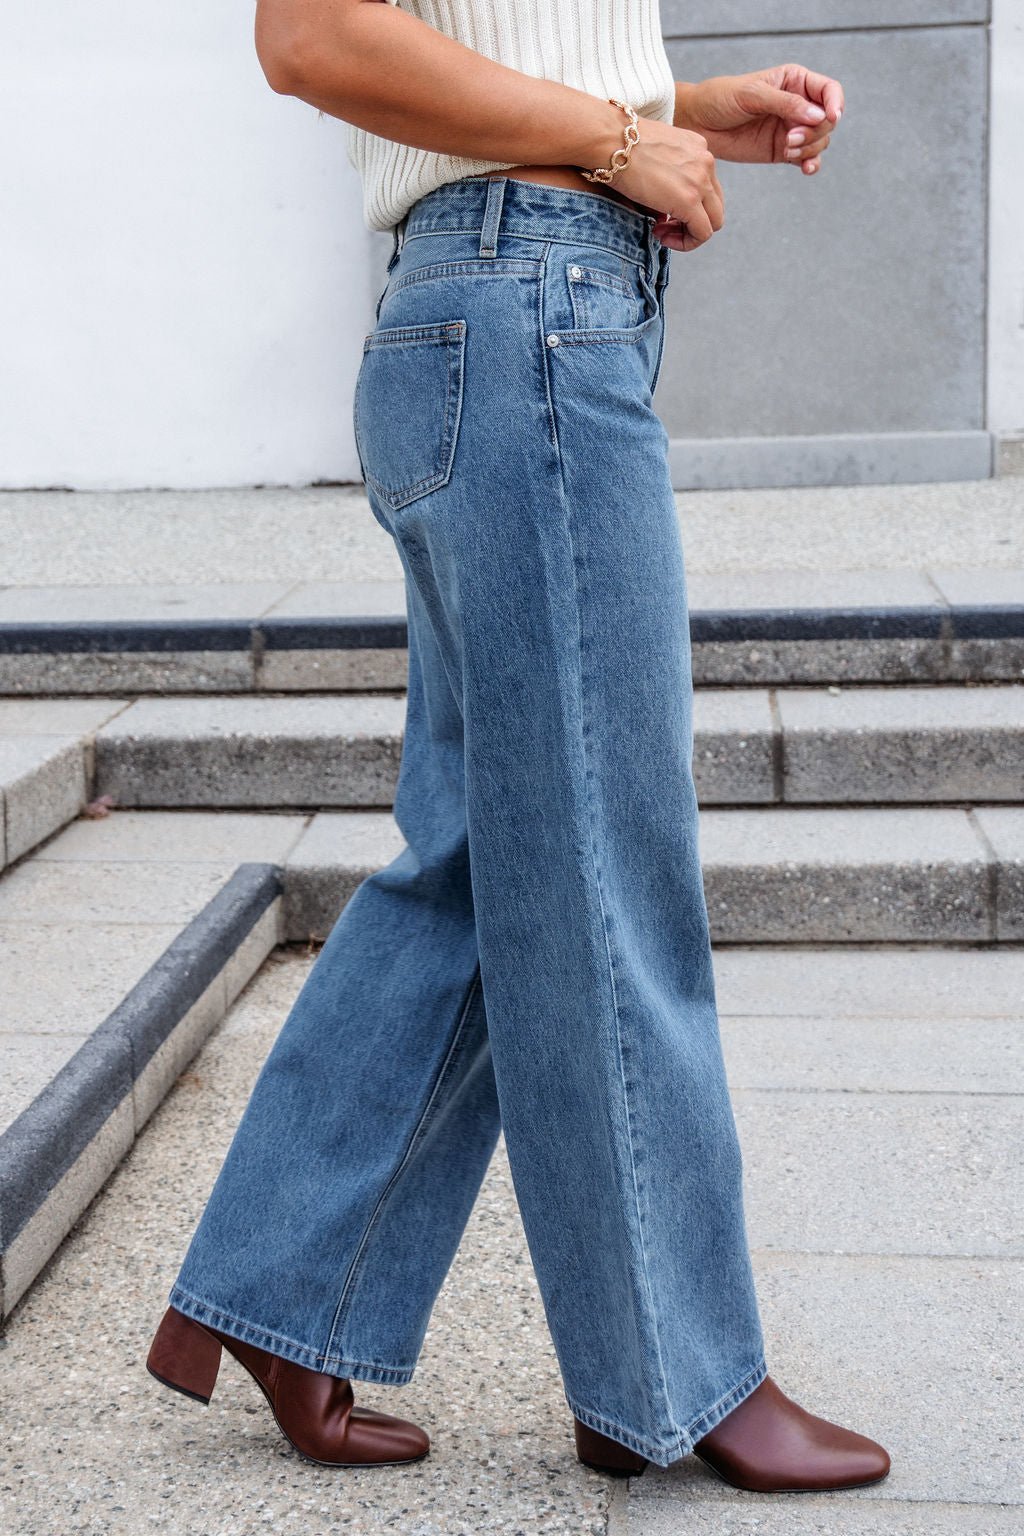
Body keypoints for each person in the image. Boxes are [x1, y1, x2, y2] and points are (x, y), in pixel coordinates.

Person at [147, 0, 891, 1490]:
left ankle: (282, 1291)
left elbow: (485, 39)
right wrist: (621, 141)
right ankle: (673, 1382)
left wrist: (678, 97)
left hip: (514, 308)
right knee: (604, 858)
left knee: (494, 854)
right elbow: (310, 37)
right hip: (528, 312)